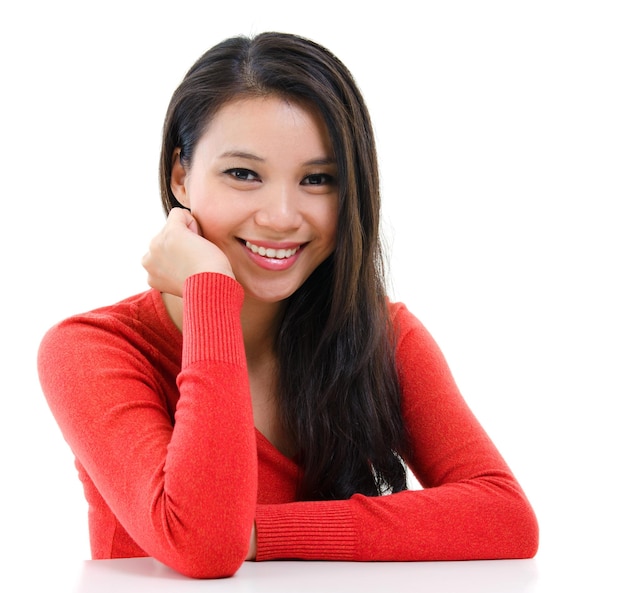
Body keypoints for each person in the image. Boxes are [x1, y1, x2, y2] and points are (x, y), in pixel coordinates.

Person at [37, 32, 539, 579]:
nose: (281, 215)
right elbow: (204, 544)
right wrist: (208, 288)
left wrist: (260, 534)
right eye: (243, 174)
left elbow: (504, 516)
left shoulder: (381, 334)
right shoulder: (92, 350)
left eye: (317, 180)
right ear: (181, 175)